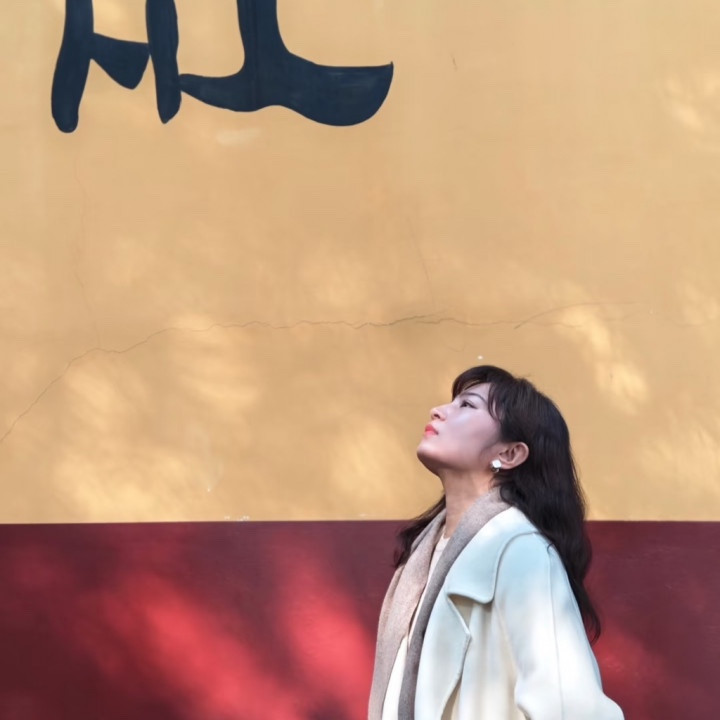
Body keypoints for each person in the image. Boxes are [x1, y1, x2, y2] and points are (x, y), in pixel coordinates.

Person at [368, 365, 624, 720]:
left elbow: (571, 709)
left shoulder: (521, 551)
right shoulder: (422, 556)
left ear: (509, 454)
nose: (438, 411)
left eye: (467, 405)